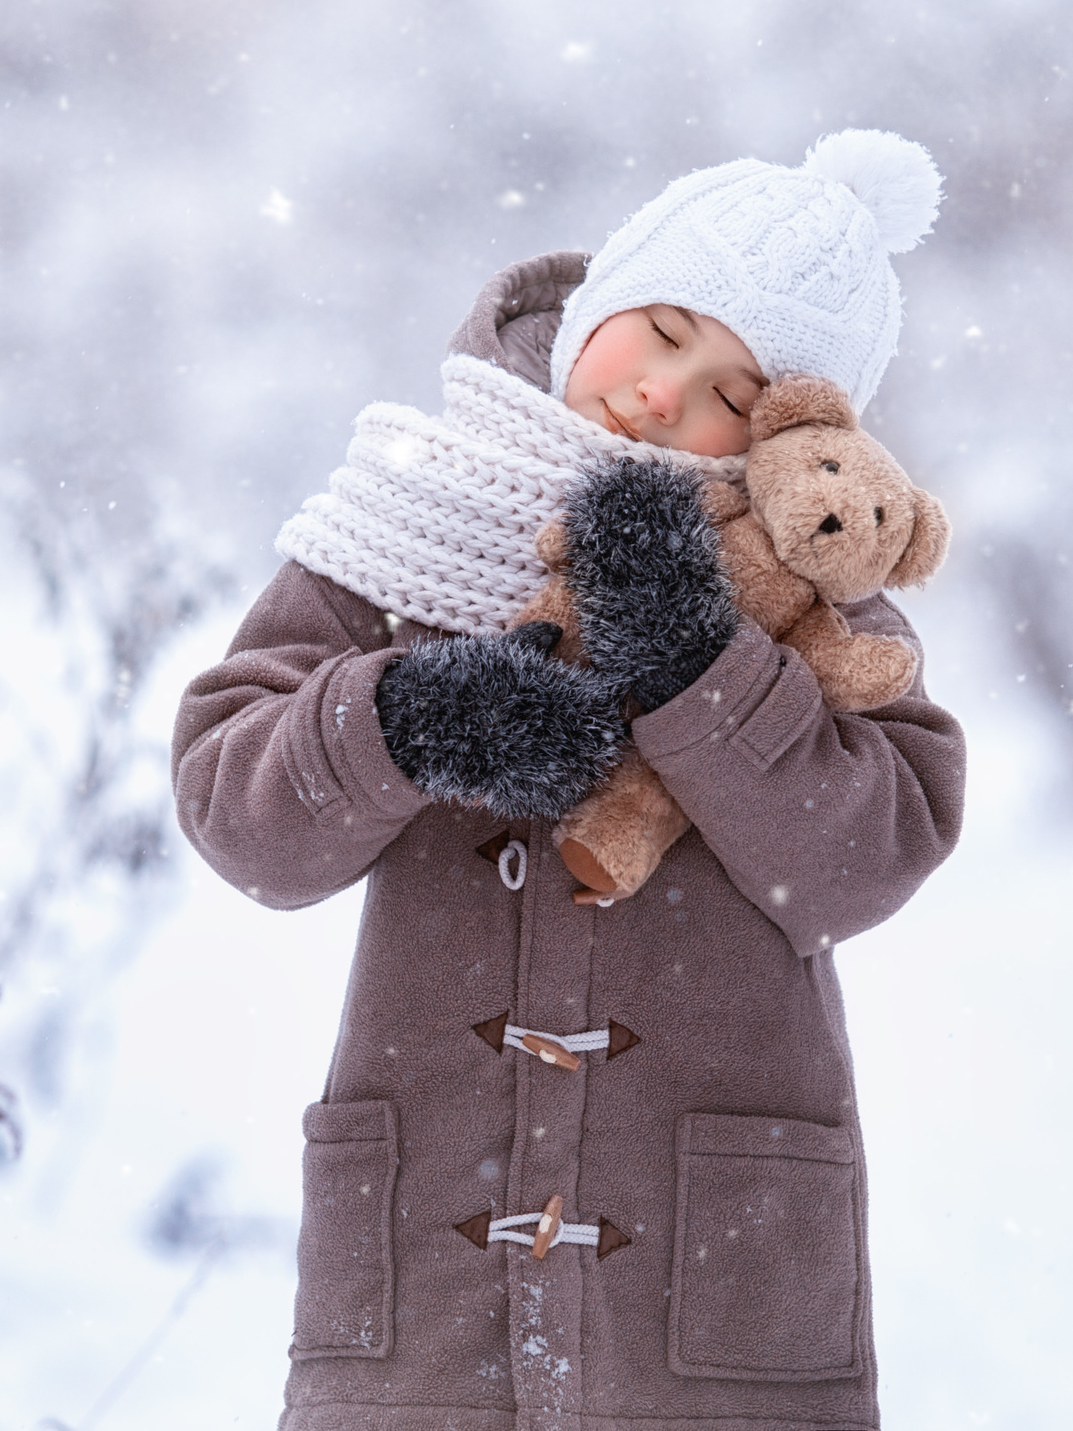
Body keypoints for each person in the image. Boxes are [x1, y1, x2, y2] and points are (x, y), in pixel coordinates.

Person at [171, 133, 968, 1430]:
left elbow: (866, 856)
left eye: (734, 389)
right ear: (598, 302)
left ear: (798, 430)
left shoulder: (812, 593)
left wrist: (699, 667)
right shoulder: (402, 524)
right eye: (658, 329)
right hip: (427, 1285)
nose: (663, 395)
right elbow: (234, 808)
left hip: (716, 1298)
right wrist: (402, 718)